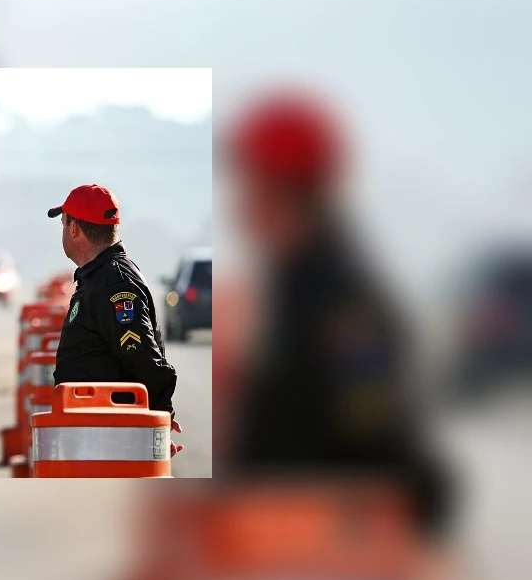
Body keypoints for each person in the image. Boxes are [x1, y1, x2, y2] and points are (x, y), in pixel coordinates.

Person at [222, 87, 451, 537]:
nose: (239, 202)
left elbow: (377, 450)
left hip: (323, 549)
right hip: (280, 538)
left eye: (247, 182)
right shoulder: (292, 286)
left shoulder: (342, 305)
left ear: (278, 192)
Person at [48, 184, 183, 456]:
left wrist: (158, 423)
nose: (63, 230)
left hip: (110, 440)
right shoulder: (100, 278)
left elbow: (144, 360)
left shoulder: (113, 284)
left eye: (63, 223)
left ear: (74, 229)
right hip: (95, 436)